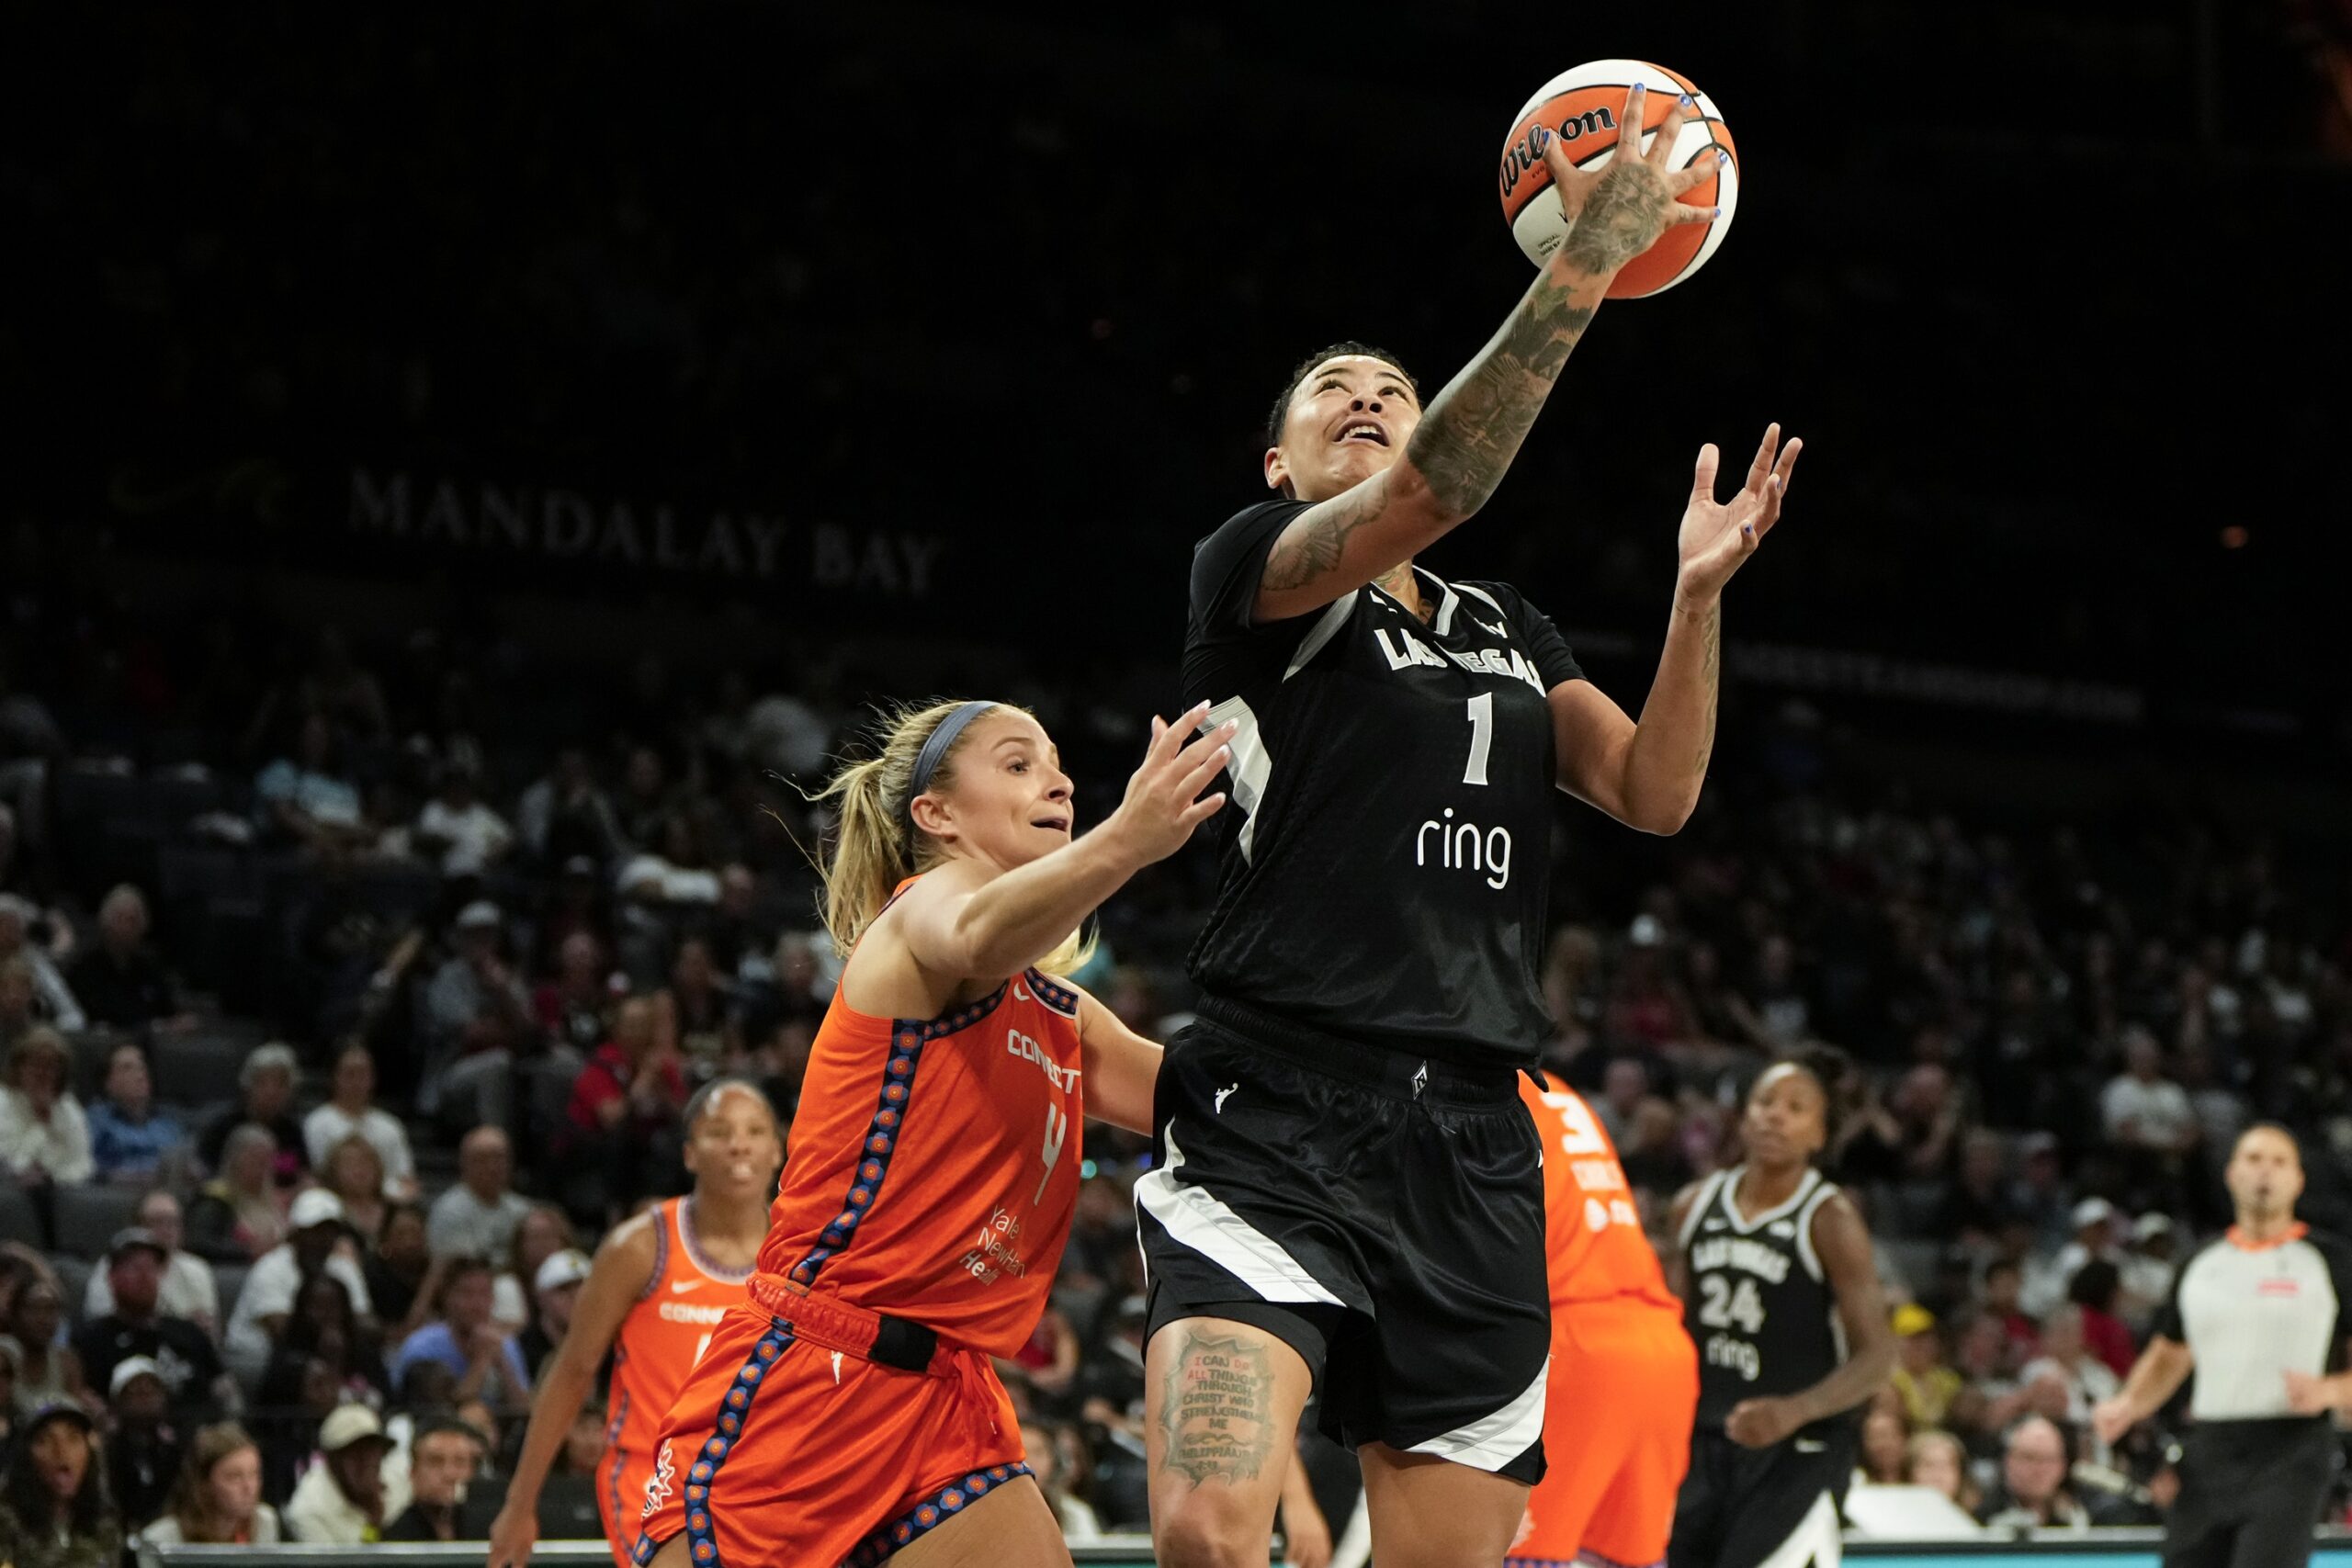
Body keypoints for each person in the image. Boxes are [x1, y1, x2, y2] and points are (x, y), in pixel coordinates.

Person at [1145, 88, 1793, 1568]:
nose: (1369, 397)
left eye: (1391, 383)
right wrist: (1578, 269)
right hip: (1280, 1103)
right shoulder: (1257, 579)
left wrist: (1697, 597)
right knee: (1203, 1524)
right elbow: (1441, 483)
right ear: (1276, 463)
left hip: (1475, 1143)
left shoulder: (1505, 622)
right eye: (1335, 395)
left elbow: (1653, 792)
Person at [630, 699, 1216, 1568]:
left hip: (949, 1397)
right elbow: (979, 930)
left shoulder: (1060, 1014)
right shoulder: (922, 914)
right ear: (935, 815)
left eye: (1057, 763)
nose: (1057, 780)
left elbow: (1204, 1098)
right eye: (1017, 764)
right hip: (814, 1370)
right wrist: (1128, 839)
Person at [489, 1079, 782, 1566]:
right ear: (689, 1154)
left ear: (778, 1150)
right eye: (719, 1131)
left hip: (762, 1481)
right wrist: (520, 1503)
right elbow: (573, 1372)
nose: (738, 1144)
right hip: (655, 1481)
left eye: (755, 1131)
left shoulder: (801, 1254)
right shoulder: (639, 1248)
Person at [1667, 1055, 1896, 1568]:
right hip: (1704, 1441)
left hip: (1800, 1450)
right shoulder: (1693, 1205)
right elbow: (1670, 1329)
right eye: (1766, 1103)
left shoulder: (1830, 1219)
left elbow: (1879, 1356)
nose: (1776, 1116)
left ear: (1819, 1135)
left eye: (1796, 1109)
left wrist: (1794, 1411)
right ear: (1744, 1118)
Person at [2093, 1123, 2352, 1567]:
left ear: (2298, 1180)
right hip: (2209, 1446)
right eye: (2253, 1160)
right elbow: (2170, 1354)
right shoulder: (2201, 1263)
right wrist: (2129, 1404)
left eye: (2278, 1161)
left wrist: (2330, 1391)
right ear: (2232, 1174)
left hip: (2292, 1447)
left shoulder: (2330, 1262)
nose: (2264, 1172)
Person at [1505, 1074, 1697, 1568]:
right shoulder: (1558, 1089)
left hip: (1577, 1347)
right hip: (1661, 1349)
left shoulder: (1468, 1082)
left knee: (1528, 1556)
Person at [72, 1228, 230, 1427]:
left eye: (151, 1267)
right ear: (112, 1277)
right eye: (134, 1267)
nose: (144, 1275)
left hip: (197, 1439)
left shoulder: (189, 1332)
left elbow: (223, 1391)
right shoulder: (91, 1339)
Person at [224, 1188, 373, 1393]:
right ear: (296, 1233)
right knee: (303, 1369)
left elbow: (364, 1322)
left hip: (325, 1355)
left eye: (331, 1232)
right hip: (259, 1359)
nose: (324, 1240)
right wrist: (338, 1330)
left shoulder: (344, 1267)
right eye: (316, 1231)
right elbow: (284, 1331)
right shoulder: (270, 1268)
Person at [388, 1256, 530, 1412]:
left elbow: (524, 1413)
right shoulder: (422, 1347)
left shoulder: (505, 1344)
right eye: (467, 1294)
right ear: (447, 1297)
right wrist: (482, 1361)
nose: (477, 1305)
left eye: (485, 1294)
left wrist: (503, 1365)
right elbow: (448, 1416)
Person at [0, 1401, 121, 1568]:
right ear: (25, 1456)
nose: (62, 1451)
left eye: (73, 1438)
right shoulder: (6, 1520)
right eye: (45, 1440)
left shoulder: (103, 1519)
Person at [83, 1190, 218, 1335]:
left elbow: (209, 1330)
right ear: (137, 1226)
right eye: (158, 1222)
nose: (168, 1230)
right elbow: (101, 1321)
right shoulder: (114, 1265)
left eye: (174, 1222)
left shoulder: (198, 1269)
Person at [302, 1043, 420, 1201]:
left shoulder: (390, 1126)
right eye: (350, 1074)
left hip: (385, 1205)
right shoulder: (317, 1123)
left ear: (372, 1079)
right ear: (335, 1077)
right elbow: (318, 1177)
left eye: (363, 1074)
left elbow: (407, 1182)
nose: (357, 1081)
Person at [136, 1420, 282, 1546]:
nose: (249, 1487)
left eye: (254, 1474)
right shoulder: (161, 1540)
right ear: (203, 1483)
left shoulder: (265, 1523)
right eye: (234, 1477)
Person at [62, 886, 186, 1034]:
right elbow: (97, 1017)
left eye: (134, 921)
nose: (128, 928)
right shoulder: (84, 970)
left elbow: (168, 1013)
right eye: (122, 920)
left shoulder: (151, 968)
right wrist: (154, 1026)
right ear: (106, 923)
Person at [283, 1402, 407, 1544]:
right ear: (333, 1461)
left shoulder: (400, 1480)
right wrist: (373, 1522)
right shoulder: (309, 1511)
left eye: (372, 1449)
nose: (369, 1461)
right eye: (356, 1452)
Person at [197, 1042, 307, 1188]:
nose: (271, 1092)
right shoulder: (223, 1127)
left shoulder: (293, 1133)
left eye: (280, 1084)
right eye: (263, 1082)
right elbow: (206, 1172)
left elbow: (301, 1175)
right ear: (248, 1085)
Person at [83, 1043, 189, 1186]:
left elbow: (186, 1168)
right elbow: (86, 1168)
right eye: (127, 1068)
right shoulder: (95, 1120)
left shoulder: (169, 1125)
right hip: (115, 1196)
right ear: (108, 1083)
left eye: (142, 1067)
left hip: (165, 1196)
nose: (140, 1075)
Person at [427, 1125, 533, 1267]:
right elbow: (461, 1271)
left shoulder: (522, 1210)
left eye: (499, 1158)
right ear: (464, 1164)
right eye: (482, 1159)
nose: (492, 1167)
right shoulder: (449, 1211)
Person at [0, 1026, 93, 1186]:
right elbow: (9, 1161)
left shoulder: (69, 1107)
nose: (42, 1073)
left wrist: (56, 1179)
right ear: (19, 1067)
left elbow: (83, 1165)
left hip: (65, 1194)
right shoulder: (3, 1102)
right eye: (36, 1064)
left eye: (51, 1066)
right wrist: (41, 1121)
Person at [185, 1122, 288, 1261]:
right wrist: (247, 1252)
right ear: (235, 1160)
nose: (263, 1167)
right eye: (255, 1158)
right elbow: (200, 1244)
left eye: (267, 1160)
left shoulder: (276, 1201)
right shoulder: (215, 1200)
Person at [103, 1357, 182, 1530]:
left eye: (153, 1388)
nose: (145, 1395)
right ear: (118, 1401)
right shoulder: (106, 1452)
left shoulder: (178, 1450)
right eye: (135, 1389)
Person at [1978, 1415, 2088, 1533]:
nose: (2039, 1469)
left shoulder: (2087, 1510)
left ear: (2063, 1466)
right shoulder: (1983, 1517)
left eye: (2048, 1459)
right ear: (2008, 1461)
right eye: (2029, 1457)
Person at [384, 1417, 489, 1540]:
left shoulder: (489, 1532)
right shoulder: (395, 1540)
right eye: (435, 1461)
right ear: (413, 1473)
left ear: (472, 1471)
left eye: (460, 1462)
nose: (449, 1474)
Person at [6, 1279, 85, 1412]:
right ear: (15, 1313)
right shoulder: (4, 1355)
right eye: (34, 1308)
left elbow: (74, 1415)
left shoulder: (67, 1362)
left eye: (51, 1309)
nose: (43, 1318)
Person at [319, 1134, 391, 1245]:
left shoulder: (394, 1211)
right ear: (334, 1171)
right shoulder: (326, 1213)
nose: (359, 1170)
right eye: (349, 1163)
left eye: (365, 1162)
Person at [1903, 1429, 1978, 1516]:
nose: (1938, 1474)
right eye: (1929, 1465)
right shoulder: (1894, 1518)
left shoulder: (1973, 1522)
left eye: (1947, 1465)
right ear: (1910, 1472)